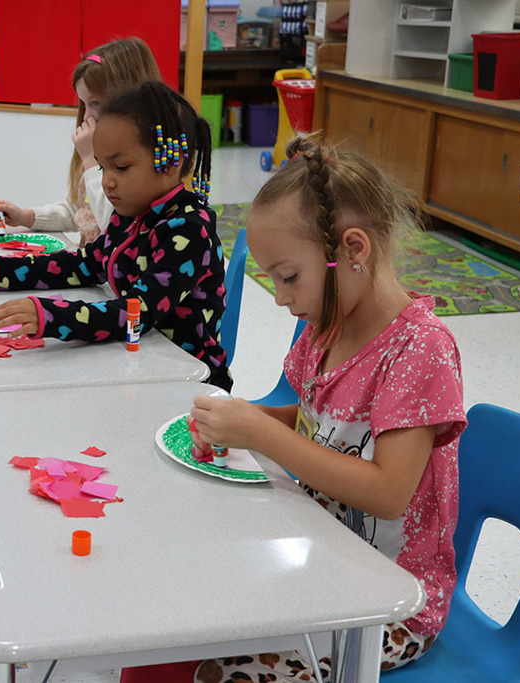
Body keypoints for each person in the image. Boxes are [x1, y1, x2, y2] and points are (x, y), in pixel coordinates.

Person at [173, 135, 467, 683]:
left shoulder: (420, 351)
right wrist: (244, 423)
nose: (280, 297)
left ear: (353, 250)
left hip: (388, 604)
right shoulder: (325, 330)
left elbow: (388, 492)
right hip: (318, 560)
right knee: (187, 613)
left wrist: (262, 435)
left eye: (289, 276)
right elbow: (316, 425)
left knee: (221, 671)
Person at [0, 81, 232, 390]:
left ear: (171, 163)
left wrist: (50, 316)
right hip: (139, 365)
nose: (107, 183)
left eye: (121, 167)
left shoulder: (189, 229)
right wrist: (3, 272)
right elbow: (85, 264)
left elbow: (136, 312)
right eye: (103, 168)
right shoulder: (131, 213)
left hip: (189, 384)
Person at [0, 37, 163, 247]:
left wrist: (90, 162)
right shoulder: (98, 148)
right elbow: (81, 211)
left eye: (95, 103)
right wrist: (27, 216)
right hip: (92, 263)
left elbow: (114, 224)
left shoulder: (140, 160)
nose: (86, 116)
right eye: (83, 104)